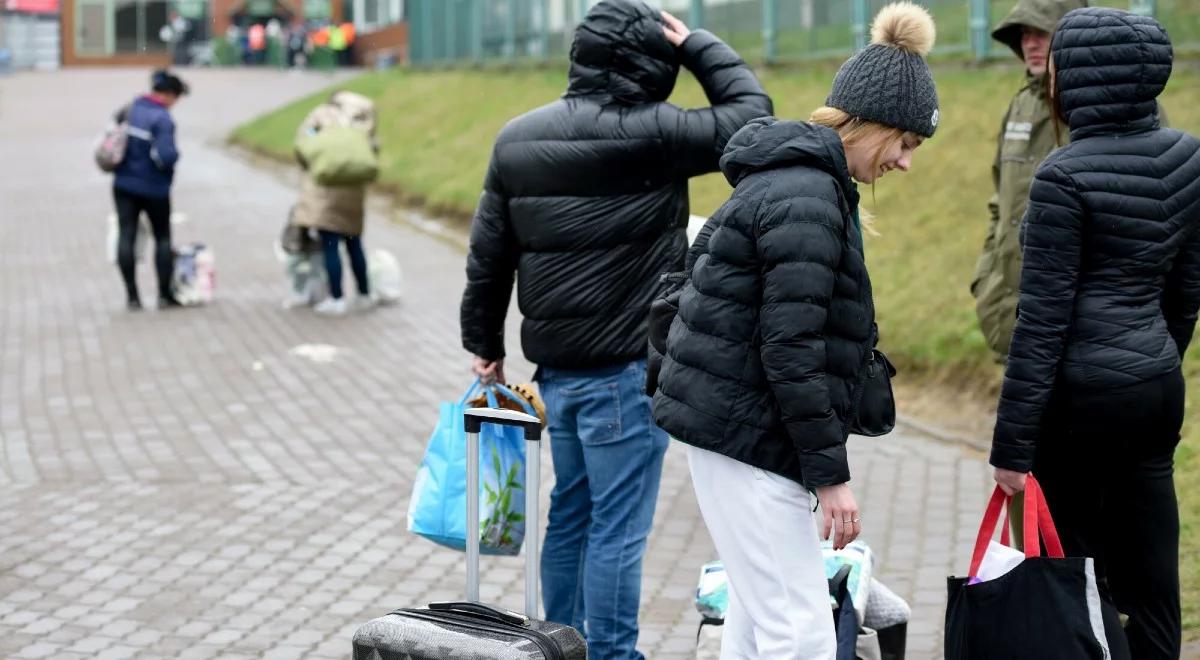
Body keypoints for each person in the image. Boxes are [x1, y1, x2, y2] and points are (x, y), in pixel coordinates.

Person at [459, 1, 771, 657]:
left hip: (558, 378)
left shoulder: (517, 138)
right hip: (626, 375)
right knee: (616, 529)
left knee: (570, 515)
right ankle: (613, 654)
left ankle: (552, 646)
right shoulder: (655, 133)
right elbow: (752, 119)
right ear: (654, 62)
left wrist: (483, 345)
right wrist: (699, 46)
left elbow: (489, 256)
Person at [653, 3, 938, 657]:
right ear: (871, 125)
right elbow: (792, 347)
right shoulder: (807, 199)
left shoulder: (799, 186)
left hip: (738, 436)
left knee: (761, 618)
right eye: (906, 143)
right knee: (801, 632)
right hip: (749, 440)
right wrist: (832, 475)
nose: (906, 162)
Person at [990, 9, 1199, 660]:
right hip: (1154, 388)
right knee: (1152, 580)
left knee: (1072, 579)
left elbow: (1042, 324)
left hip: (1077, 406)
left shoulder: (1063, 177)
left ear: (1078, 76)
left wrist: (1011, 449)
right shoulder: (1188, 154)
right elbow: (1187, 293)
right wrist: (1150, 357)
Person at [970, 0, 1088, 361]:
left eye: (1041, 32)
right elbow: (999, 201)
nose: (1030, 44)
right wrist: (986, 277)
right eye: (1024, 34)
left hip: (1081, 327)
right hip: (1013, 313)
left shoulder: (1104, 104)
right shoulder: (1020, 104)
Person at [292, 90, 378, 316]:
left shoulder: (321, 115)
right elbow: (372, 150)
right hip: (354, 193)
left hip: (326, 192)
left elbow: (303, 143)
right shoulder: (362, 119)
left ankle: (337, 298)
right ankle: (364, 294)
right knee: (354, 244)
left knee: (331, 246)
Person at [112, 69, 188, 311]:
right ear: (168, 95)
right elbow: (166, 156)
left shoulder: (130, 108)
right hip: (155, 188)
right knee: (163, 238)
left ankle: (132, 297)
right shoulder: (162, 119)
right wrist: (175, 156)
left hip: (123, 184)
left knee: (127, 235)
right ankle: (164, 296)